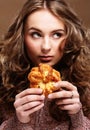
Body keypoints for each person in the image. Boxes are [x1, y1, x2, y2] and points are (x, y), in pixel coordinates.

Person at [0, 0, 90, 129]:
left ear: (70, 36)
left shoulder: (87, 83)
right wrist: (18, 123)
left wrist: (77, 117)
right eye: (36, 34)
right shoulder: (3, 83)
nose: (46, 47)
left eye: (57, 34)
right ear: (21, 37)